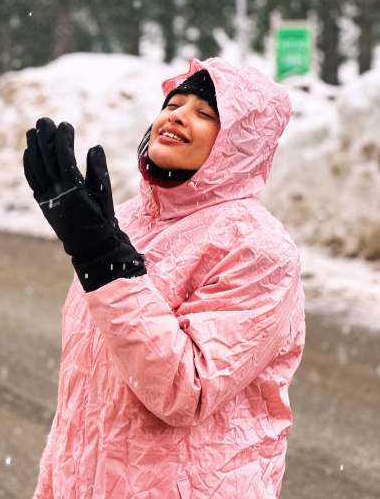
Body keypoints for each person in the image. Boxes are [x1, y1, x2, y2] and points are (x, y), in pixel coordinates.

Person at [23, 57, 305, 499]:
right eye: (174, 102)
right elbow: (88, 396)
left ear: (239, 143)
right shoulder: (130, 223)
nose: (177, 114)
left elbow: (184, 390)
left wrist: (103, 259)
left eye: (206, 113)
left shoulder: (258, 249)